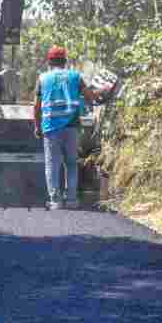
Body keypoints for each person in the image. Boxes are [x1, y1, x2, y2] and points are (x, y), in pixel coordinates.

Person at [34, 45, 111, 210]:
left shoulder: (43, 78)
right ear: (65, 61)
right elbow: (90, 97)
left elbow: (36, 106)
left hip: (51, 128)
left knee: (52, 165)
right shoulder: (76, 76)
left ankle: (55, 201)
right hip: (71, 127)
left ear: (49, 62)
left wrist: (37, 127)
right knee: (71, 163)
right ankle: (71, 200)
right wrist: (104, 89)